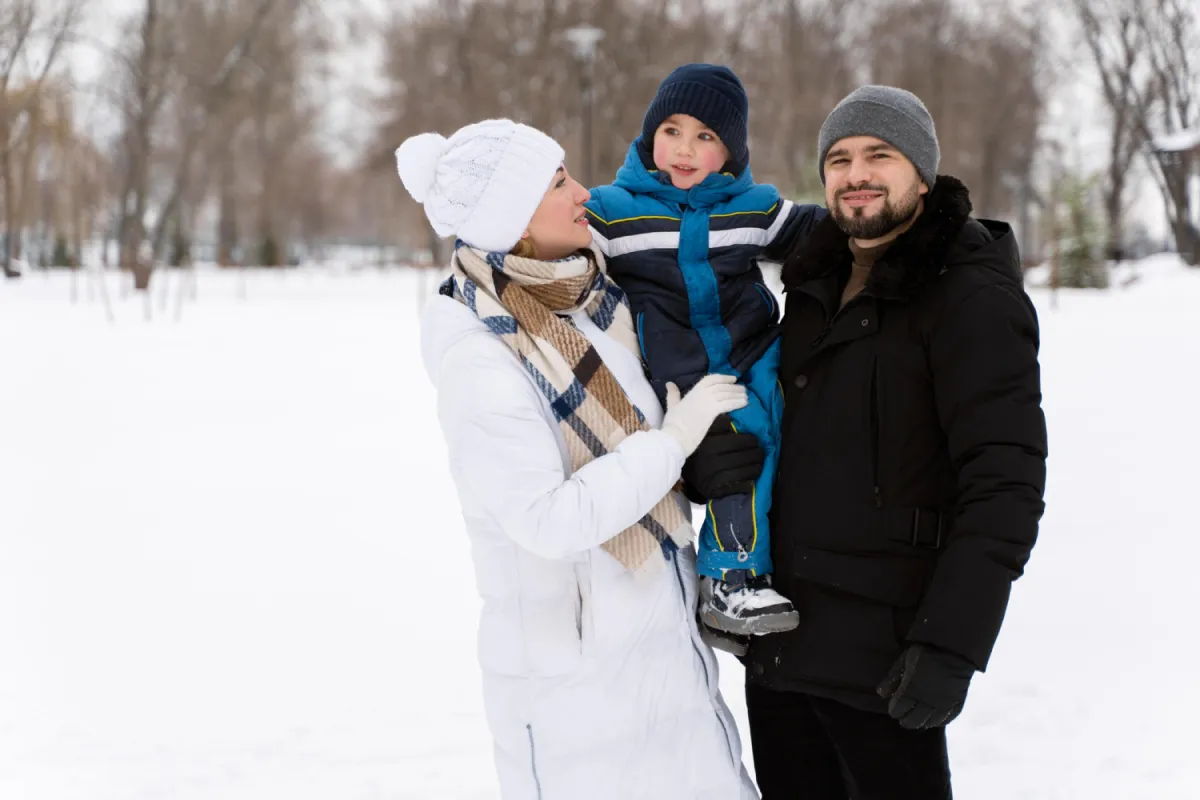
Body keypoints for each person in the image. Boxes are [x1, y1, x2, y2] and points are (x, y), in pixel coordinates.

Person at [399, 118, 760, 800]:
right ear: (514, 222)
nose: (583, 192)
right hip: (577, 685)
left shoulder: (592, 301)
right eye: (558, 182)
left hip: (661, 646)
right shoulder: (482, 358)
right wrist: (671, 442)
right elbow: (546, 519)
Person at [743, 86, 1049, 799]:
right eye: (841, 159)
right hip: (783, 645)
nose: (857, 174)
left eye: (880, 154)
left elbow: (1004, 483)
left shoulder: (971, 296)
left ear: (923, 172)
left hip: (886, 655)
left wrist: (951, 643)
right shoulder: (812, 286)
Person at [586, 64, 825, 643]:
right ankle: (728, 579)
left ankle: (789, 557)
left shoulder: (754, 208)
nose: (685, 149)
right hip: (688, 374)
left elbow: (825, 230)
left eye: (706, 136)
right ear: (649, 136)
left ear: (732, 152)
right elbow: (562, 247)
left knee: (791, 432)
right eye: (672, 130)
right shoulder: (615, 211)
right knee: (739, 448)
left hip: (757, 349)